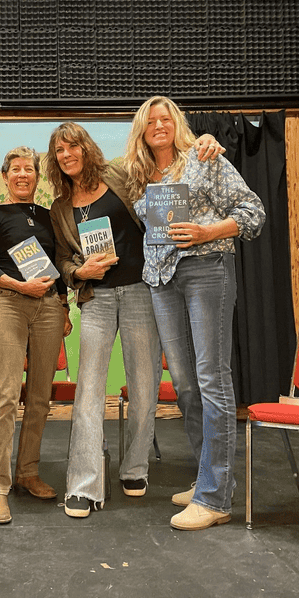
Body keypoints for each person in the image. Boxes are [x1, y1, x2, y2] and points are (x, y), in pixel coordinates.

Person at [47, 122, 223, 519]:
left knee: (144, 386)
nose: (67, 154)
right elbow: (62, 259)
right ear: (55, 159)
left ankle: (135, 467)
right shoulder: (60, 206)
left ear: (86, 149)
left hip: (143, 290)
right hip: (97, 298)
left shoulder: (121, 174)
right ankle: (83, 486)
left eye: (73, 146)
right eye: (59, 150)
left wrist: (200, 144)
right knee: (88, 390)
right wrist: (79, 272)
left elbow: (168, 172)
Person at [125, 96, 266, 531]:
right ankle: (209, 475)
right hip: (162, 281)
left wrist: (207, 230)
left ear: (177, 123)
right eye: (151, 120)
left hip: (207, 270)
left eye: (166, 118)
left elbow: (253, 213)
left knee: (211, 378)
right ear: (142, 130)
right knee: (185, 383)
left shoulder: (207, 158)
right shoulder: (139, 176)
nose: (159, 125)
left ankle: (215, 497)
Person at [0, 146, 73, 525]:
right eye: (14, 169)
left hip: (49, 306)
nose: (22, 175)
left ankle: (27, 472)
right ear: (5, 177)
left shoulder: (51, 218)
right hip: (9, 302)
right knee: (4, 395)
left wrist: (63, 305)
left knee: (39, 397)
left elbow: (60, 263)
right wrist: (17, 285)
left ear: (37, 177)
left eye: (28, 170)